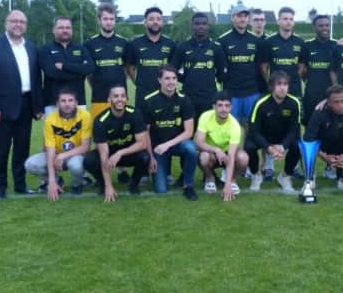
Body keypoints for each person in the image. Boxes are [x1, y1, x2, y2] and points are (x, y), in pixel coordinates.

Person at [0, 10, 43, 199]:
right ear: (6, 23)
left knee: (22, 148)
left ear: (26, 25)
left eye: (22, 22)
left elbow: (36, 79)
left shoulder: (31, 47)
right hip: (3, 106)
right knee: (1, 149)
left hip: (26, 104)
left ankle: (20, 185)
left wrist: (37, 106)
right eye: (14, 21)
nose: (18, 24)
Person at [83, 85, 151, 201]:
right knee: (89, 161)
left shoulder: (135, 114)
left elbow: (142, 143)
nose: (120, 99)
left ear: (127, 99)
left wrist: (120, 153)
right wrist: (108, 185)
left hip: (128, 153)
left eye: (123, 96)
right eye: (115, 96)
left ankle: (134, 184)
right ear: (109, 99)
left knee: (145, 157)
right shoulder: (100, 121)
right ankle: (103, 184)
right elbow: (103, 154)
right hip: (109, 155)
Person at [141, 65, 198, 200]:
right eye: (167, 78)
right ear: (159, 80)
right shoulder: (149, 100)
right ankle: (161, 172)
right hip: (158, 149)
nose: (171, 82)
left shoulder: (184, 99)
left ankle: (188, 185)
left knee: (191, 148)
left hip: (177, 144)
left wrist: (167, 144)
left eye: (174, 78)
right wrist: (151, 157)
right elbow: (144, 133)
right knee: (161, 190)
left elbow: (189, 132)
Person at [25, 88, 91, 200]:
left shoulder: (85, 116)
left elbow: (85, 147)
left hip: (75, 155)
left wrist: (62, 156)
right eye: (63, 101)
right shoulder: (50, 119)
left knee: (76, 165)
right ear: (57, 104)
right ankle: (57, 181)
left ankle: (77, 184)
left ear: (76, 103)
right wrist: (52, 180)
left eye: (70, 100)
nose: (67, 104)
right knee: (30, 164)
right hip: (55, 155)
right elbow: (49, 151)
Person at [245, 71, 301, 192]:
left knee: (298, 146)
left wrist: (283, 146)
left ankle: (285, 176)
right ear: (272, 86)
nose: (282, 87)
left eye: (285, 84)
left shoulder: (294, 102)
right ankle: (256, 175)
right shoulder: (260, 102)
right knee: (249, 146)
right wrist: (268, 147)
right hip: (263, 137)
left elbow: (294, 130)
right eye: (279, 84)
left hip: (282, 138)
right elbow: (253, 131)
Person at [303, 85, 343, 193]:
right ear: (328, 103)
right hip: (321, 144)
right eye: (336, 102)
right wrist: (322, 155)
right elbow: (308, 138)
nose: (340, 105)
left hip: (339, 142)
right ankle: (310, 176)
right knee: (305, 147)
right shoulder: (319, 112)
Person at [172, 12, 227, 124]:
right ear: (192, 26)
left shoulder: (216, 47)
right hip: (188, 96)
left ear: (208, 26)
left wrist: (210, 79)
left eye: (204, 23)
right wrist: (185, 79)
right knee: (189, 128)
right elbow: (173, 69)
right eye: (197, 24)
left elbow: (222, 73)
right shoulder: (182, 47)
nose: (200, 26)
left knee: (207, 128)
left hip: (209, 97)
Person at [194, 91, 249, 202]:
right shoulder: (205, 116)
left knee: (243, 158)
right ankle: (210, 177)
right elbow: (198, 142)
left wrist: (227, 185)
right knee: (204, 157)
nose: (223, 109)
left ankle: (232, 179)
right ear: (214, 106)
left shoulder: (234, 125)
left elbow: (231, 156)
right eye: (220, 105)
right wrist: (216, 150)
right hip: (211, 153)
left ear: (231, 107)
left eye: (227, 106)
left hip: (227, 155)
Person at [85, 3, 130, 120]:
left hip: (121, 98)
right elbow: (89, 74)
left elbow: (127, 69)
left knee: (123, 129)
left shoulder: (124, 43)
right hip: (99, 97)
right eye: (105, 19)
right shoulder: (89, 44)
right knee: (99, 129)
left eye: (111, 19)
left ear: (115, 20)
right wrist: (97, 85)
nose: (109, 22)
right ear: (99, 20)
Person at [39, 16, 94, 114]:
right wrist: (79, 72)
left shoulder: (81, 49)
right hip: (53, 104)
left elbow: (90, 68)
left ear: (71, 30)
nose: (65, 30)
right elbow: (52, 73)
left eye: (68, 28)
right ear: (53, 30)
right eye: (61, 27)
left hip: (79, 102)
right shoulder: (45, 49)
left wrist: (64, 66)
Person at [218, 4, 261, 127]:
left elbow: (258, 66)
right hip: (232, 93)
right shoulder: (223, 40)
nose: (242, 19)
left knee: (251, 125)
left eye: (245, 16)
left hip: (252, 91)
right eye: (239, 16)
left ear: (248, 19)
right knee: (232, 125)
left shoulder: (255, 40)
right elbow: (221, 69)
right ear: (232, 18)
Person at [127, 7, 176, 107]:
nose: (155, 22)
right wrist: (138, 83)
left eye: (158, 19)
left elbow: (173, 68)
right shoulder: (135, 44)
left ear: (162, 23)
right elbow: (130, 67)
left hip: (164, 94)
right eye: (151, 19)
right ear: (145, 23)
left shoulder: (170, 44)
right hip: (143, 95)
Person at [250, 8, 275, 181]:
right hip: (249, 89)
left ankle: (268, 165)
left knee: (268, 127)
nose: (259, 22)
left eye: (261, 20)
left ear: (265, 22)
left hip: (267, 89)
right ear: (250, 22)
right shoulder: (246, 39)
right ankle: (249, 163)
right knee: (249, 127)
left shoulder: (270, 41)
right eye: (256, 20)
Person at [259, 7, 305, 98]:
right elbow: (264, 67)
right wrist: (271, 83)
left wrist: (293, 80)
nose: (288, 22)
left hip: (294, 89)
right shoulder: (269, 42)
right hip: (276, 89)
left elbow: (301, 66)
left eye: (291, 19)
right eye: (285, 19)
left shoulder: (300, 42)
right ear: (278, 21)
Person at [299, 15, 335, 126]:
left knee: (331, 127)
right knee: (310, 126)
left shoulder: (337, 45)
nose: (325, 28)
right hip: (311, 95)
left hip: (331, 95)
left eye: (327, 25)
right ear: (314, 27)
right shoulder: (307, 46)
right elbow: (302, 71)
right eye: (321, 26)